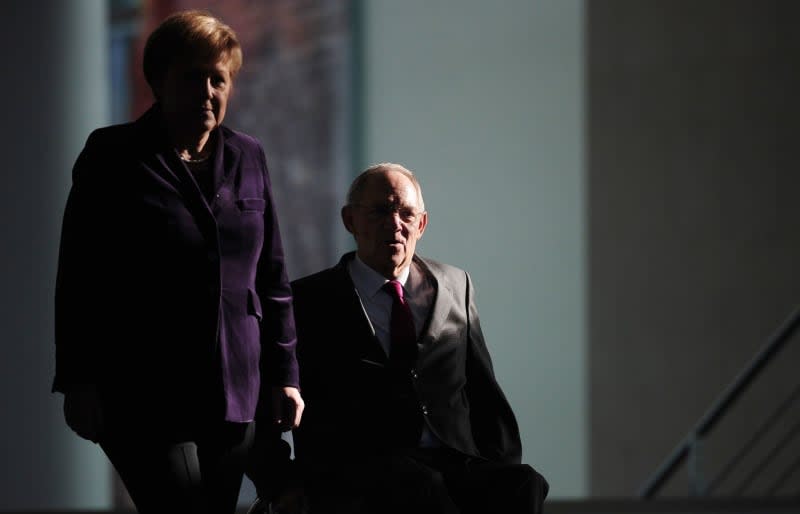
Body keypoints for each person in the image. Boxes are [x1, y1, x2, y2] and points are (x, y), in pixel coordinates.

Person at [52, 10, 303, 514]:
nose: (208, 91)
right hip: (142, 391)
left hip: (234, 389)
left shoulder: (248, 156)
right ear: (159, 82)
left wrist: (285, 373)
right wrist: (79, 379)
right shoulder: (113, 154)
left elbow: (271, 276)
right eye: (193, 77)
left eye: (219, 79)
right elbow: (79, 276)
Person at [283, 163, 548, 513]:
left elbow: (484, 392)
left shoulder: (455, 286)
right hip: (361, 473)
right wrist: (285, 483)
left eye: (406, 214)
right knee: (420, 487)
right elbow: (279, 398)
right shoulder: (310, 299)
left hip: (452, 460)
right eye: (380, 211)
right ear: (350, 221)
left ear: (421, 224)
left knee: (523, 485)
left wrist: (500, 462)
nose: (395, 224)